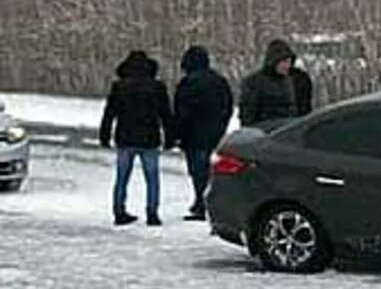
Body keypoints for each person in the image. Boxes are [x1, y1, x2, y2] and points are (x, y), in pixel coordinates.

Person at [99, 50, 174, 226]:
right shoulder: (157, 87)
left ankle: (119, 210)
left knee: (122, 177)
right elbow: (165, 114)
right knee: (152, 177)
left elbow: (110, 113)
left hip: (125, 137)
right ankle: (152, 213)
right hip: (150, 138)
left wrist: (105, 134)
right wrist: (170, 137)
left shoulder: (119, 86)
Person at [172, 45, 235, 221]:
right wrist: (221, 125)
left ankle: (202, 203)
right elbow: (227, 106)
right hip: (214, 132)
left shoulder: (188, 83)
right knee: (209, 170)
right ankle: (206, 202)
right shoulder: (219, 81)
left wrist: (176, 133)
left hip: (193, 135)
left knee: (198, 171)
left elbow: (181, 112)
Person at [239, 39, 303, 127]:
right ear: (274, 61)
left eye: (289, 62)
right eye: (284, 62)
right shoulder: (255, 82)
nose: (287, 66)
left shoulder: (290, 82)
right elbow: (248, 113)